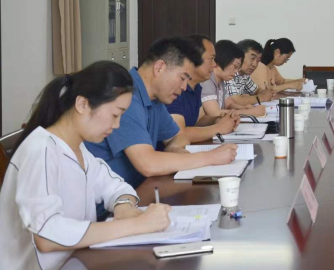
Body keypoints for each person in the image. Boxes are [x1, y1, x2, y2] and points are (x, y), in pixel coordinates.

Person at [0, 62, 173, 270]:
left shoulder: (78, 149)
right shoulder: (41, 150)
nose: (117, 125)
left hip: (76, 261)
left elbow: (115, 186)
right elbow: (46, 236)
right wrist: (136, 225)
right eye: (115, 114)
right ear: (82, 104)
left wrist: (124, 207)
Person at [86, 37, 238, 189]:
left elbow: (179, 136)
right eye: (182, 78)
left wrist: (174, 148)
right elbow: (148, 164)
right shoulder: (127, 96)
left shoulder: (155, 100)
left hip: (137, 189)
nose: (184, 87)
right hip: (111, 199)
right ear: (159, 68)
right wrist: (210, 157)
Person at [167, 35, 241, 143]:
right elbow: (178, 134)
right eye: (211, 59)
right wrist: (219, 128)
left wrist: (219, 118)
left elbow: (199, 121)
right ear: (193, 59)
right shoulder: (175, 88)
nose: (214, 64)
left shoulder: (196, 87)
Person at [201, 40, 266, 117]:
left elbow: (229, 105)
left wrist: (243, 108)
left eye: (238, 68)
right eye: (235, 66)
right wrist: (249, 112)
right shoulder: (207, 81)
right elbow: (214, 113)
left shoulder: (221, 81)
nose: (236, 71)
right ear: (223, 59)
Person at [226, 39, 276, 107]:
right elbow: (235, 101)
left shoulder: (244, 75)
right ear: (240, 56)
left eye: (258, 60)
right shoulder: (229, 72)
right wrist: (262, 97)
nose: (255, 64)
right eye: (252, 58)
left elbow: (256, 91)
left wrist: (266, 92)